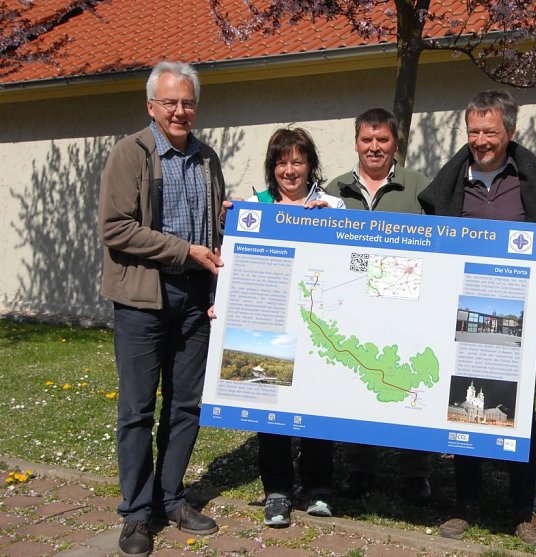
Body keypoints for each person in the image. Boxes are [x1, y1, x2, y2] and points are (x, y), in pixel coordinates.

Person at [99, 61, 227, 557]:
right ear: (151, 105)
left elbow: (214, 219)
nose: (180, 111)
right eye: (170, 102)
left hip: (195, 300)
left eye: (188, 102)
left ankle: (171, 498)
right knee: (136, 411)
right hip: (142, 300)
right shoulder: (131, 153)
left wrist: (261, 219)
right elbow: (116, 227)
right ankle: (136, 514)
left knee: (185, 405)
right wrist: (185, 250)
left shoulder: (207, 157)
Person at [418, 90, 536, 548]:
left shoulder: (534, 180)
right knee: (464, 404)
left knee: (521, 413)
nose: (480, 140)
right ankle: (465, 501)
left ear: (509, 132)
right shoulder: (451, 184)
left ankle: (522, 508)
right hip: (463, 313)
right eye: (473, 131)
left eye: (490, 131)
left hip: (516, 316)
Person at [325, 108, 433, 503]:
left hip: (406, 305)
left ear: (395, 144)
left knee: (408, 381)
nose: (374, 148)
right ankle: (360, 467)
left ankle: (415, 472)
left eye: (382, 140)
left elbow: (443, 245)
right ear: (356, 143)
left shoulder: (421, 187)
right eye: (367, 140)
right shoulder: (333, 190)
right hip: (353, 306)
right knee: (360, 377)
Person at [245, 127, 345, 527]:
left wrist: (330, 230)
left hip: (318, 323)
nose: (290, 170)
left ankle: (319, 487)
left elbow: (347, 263)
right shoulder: (256, 206)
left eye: (298, 161)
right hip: (271, 323)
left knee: (315, 404)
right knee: (272, 408)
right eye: (282, 162)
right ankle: (278, 490)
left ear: (310, 166)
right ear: (272, 168)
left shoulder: (332, 206)